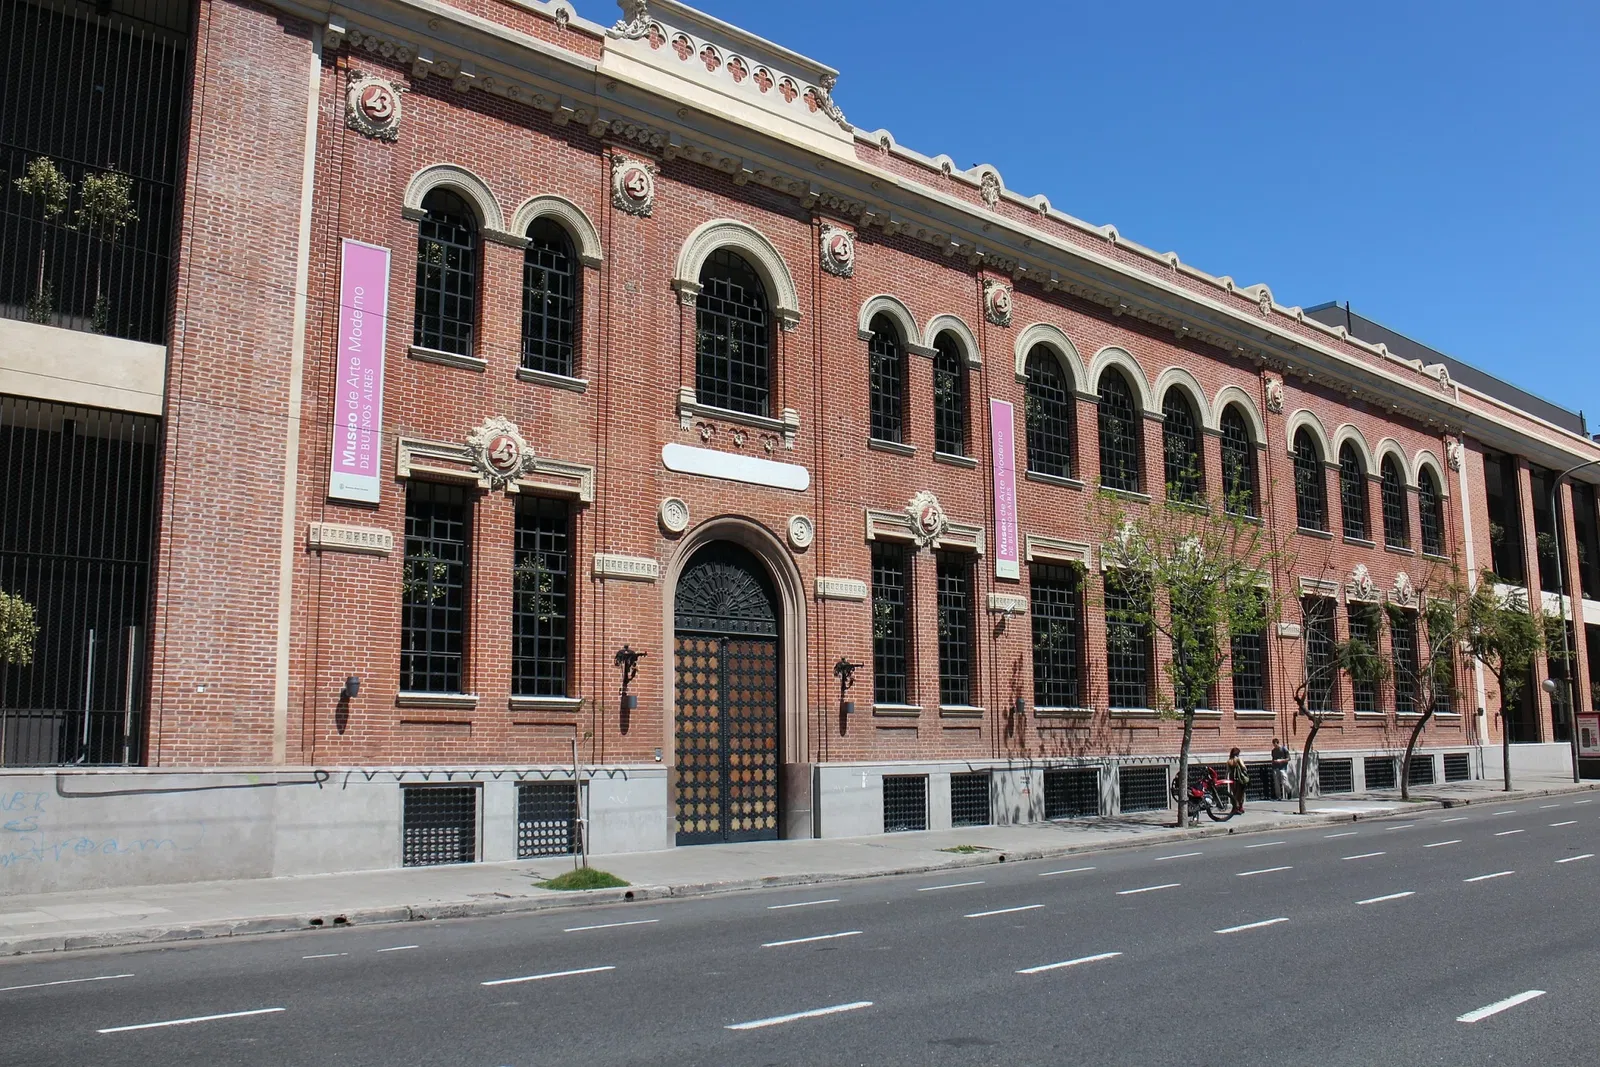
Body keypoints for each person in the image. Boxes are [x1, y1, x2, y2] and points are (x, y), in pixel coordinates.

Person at [1225, 746, 1249, 815]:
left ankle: (1235, 807)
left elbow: (1227, 771)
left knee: (1235, 793)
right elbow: (1244, 767)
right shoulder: (1238, 759)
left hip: (1232, 778)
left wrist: (1226, 778)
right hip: (1239, 779)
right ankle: (1239, 808)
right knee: (1240, 794)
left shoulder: (1229, 761)